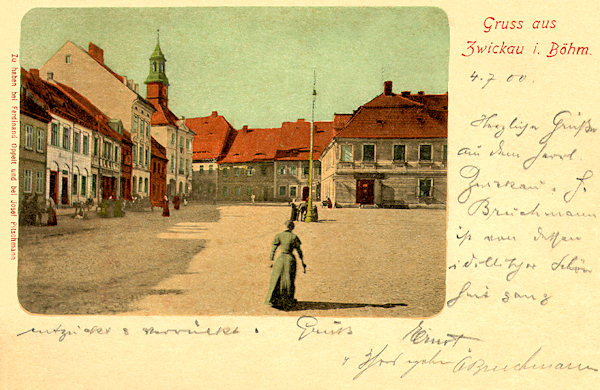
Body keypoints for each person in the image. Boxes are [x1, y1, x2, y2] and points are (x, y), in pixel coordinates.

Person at [265, 220, 306, 310]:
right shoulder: (294, 237)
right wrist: (303, 262)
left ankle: (274, 299)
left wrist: (271, 260)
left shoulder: (278, 235)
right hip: (290, 260)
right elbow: (299, 251)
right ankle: (288, 300)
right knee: (289, 279)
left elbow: (273, 249)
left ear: (284, 226)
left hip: (280, 259)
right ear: (292, 227)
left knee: (276, 279)